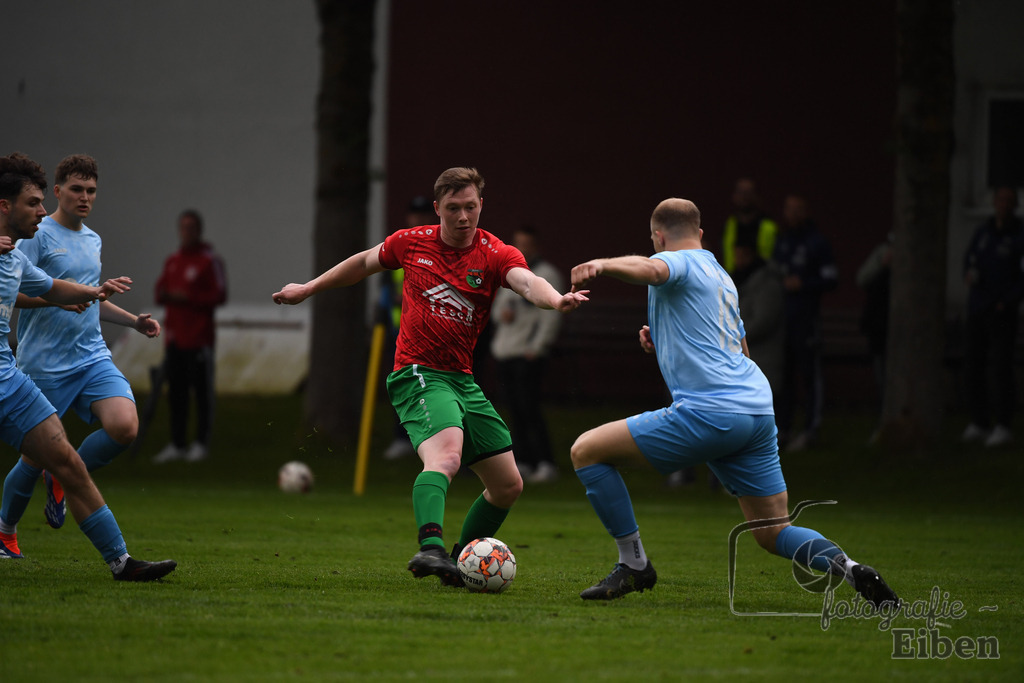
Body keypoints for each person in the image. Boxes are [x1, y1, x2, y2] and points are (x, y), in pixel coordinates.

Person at [567, 197, 898, 608]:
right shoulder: (721, 275)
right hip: (756, 409)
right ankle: (850, 568)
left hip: (712, 412)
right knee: (772, 530)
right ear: (702, 233)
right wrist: (665, 339)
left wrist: (602, 264)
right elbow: (736, 346)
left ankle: (634, 564)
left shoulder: (677, 261)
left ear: (658, 236)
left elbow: (653, 268)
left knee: (586, 452)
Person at [273, 167, 587, 585]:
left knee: (508, 484)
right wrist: (308, 288)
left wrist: (555, 299)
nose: (463, 217)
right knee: (447, 456)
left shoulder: (495, 252)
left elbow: (526, 282)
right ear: (438, 208)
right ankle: (430, 548)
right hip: (417, 372)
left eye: (470, 207)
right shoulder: (412, 242)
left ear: (481, 206)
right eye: (453, 208)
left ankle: (459, 562)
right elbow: (363, 263)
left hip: (461, 379)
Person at [0, 152, 176, 580]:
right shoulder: (33, 242)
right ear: (5, 206)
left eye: (91, 190)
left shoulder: (16, 258)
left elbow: (54, 288)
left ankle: (121, 563)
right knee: (34, 460)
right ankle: (6, 531)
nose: (41, 211)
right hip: (42, 362)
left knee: (68, 461)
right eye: (33, 203)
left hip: (15, 372)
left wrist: (99, 296)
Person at [152, 209, 227, 463]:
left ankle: (201, 443)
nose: (187, 232)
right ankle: (177, 443)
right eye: (183, 227)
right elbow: (160, 291)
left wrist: (189, 297)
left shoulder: (209, 261)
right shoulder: (173, 260)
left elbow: (219, 295)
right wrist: (172, 295)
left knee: (202, 393)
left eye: (192, 227)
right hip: (175, 339)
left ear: (199, 230)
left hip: (199, 339)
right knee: (176, 393)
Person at [490, 226, 563, 483]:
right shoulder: (509, 273)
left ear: (536, 246)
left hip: (528, 354)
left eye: (527, 244)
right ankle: (522, 461)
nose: (522, 249)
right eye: (518, 243)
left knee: (530, 408)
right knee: (513, 410)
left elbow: (550, 317)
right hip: (506, 351)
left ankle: (545, 462)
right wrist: (503, 315)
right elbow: (497, 310)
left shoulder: (546, 274)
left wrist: (537, 347)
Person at [772, 194, 838, 451]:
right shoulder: (783, 241)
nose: (793, 214)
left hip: (807, 319)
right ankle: (784, 429)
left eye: (798, 209)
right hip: (784, 320)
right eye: (789, 209)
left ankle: (811, 429)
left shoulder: (817, 242)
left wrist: (804, 285)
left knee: (810, 374)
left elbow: (831, 279)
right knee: (784, 376)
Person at [961, 187, 1024, 447]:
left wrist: (1007, 301)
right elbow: (969, 260)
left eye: (1009, 201)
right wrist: (968, 274)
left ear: (1015, 205)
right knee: (974, 364)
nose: (1003, 205)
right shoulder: (983, 232)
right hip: (978, 308)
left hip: (1002, 312)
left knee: (1001, 367)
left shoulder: (1020, 236)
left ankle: (1003, 425)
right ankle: (979, 421)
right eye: (1000, 200)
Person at [381, 196, 436, 461]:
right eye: (415, 215)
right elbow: (384, 290)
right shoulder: (399, 246)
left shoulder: (438, 248)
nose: (419, 220)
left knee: (431, 389)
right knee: (402, 388)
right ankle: (402, 438)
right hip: (397, 332)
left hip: (430, 335)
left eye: (424, 215)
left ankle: (430, 441)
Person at [721, 178, 777, 274]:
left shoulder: (768, 226)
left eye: (748, 193)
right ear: (734, 196)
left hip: (762, 281)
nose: (744, 197)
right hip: (732, 280)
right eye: (741, 192)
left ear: (757, 196)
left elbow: (773, 260)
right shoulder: (730, 224)